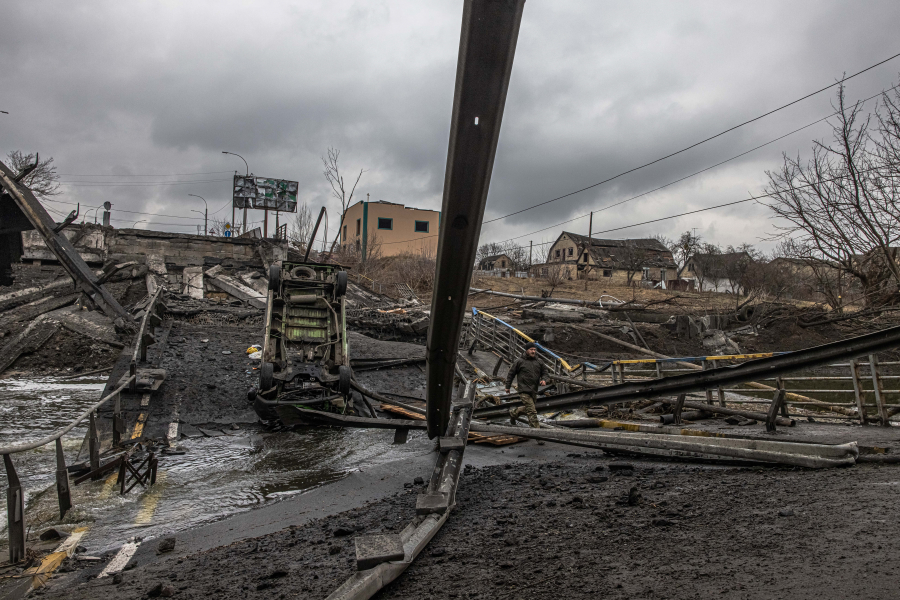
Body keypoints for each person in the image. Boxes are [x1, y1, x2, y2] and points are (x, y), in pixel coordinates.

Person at [504, 342, 547, 428]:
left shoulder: (539, 361)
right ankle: (537, 434)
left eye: (534, 350)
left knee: (530, 409)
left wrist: (544, 379)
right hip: (524, 390)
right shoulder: (519, 361)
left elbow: (545, 372)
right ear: (526, 350)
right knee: (532, 412)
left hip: (534, 390)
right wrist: (507, 386)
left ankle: (514, 413)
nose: (533, 351)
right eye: (531, 349)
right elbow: (511, 374)